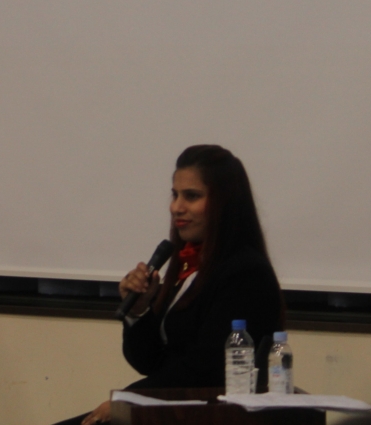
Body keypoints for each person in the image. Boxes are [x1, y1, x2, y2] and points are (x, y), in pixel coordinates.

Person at [62, 145, 285, 425]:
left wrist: (128, 398)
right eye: (175, 194)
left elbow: (206, 369)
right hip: (171, 410)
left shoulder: (245, 272)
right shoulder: (188, 266)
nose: (176, 207)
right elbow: (150, 362)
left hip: (209, 415)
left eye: (192, 196)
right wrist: (139, 311)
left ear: (225, 203)